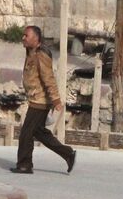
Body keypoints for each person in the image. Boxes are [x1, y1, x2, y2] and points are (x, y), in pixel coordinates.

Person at [12, 25, 76, 174]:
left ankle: (24, 165)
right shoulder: (31, 51)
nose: (23, 38)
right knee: (39, 132)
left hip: (40, 101)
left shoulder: (42, 55)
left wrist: (56, 101)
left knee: (26, 133)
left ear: (36, 38)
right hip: (36, 99)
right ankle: (68, 154)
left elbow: (49, 78)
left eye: (26, 36)